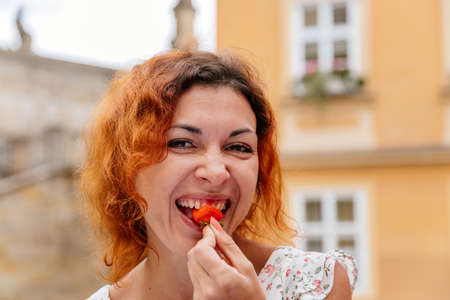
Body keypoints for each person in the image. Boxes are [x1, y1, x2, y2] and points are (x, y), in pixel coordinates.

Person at [82, 50, 358, 300]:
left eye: (238, 147)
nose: (216, 173)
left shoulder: (314, 284)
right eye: (182, 143)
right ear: (127, 166)